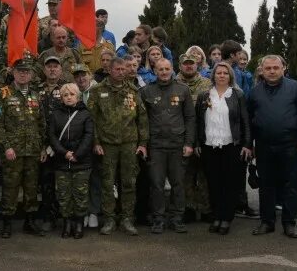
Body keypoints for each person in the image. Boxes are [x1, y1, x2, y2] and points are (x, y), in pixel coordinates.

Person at [249, 55, 297, 238]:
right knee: (266, 185)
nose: (272, 71)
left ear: (283, 68)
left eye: (275, 68)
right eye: (268, 68)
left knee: (290, 184)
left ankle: (289, 222)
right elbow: (248, 120)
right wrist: (249, 144)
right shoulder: (255, 92)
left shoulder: (295, 88)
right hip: (264, 146)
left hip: (290, 145)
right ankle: (267, 222)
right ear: (261, 70)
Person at [88, 57, 149, 236]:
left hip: (129, 143)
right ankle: (109, 219)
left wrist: (143, 143)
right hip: (107, 144)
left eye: (124, 69)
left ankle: (127, 218)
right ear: (110, 70)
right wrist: (96, 142)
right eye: (118, 69)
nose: (121, 72)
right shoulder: (97, 91)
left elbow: (143, 119)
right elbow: (91, 120)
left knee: (129, 182)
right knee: (107, 183)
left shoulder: (133, 90)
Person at [0, 56, 47, 238]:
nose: (23, 75)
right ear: (14, 73)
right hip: (13, 151)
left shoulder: (36, 95)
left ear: (31, 74)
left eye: (26, 72)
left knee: (31, 188)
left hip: (32, 150)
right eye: (20, 71)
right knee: (10, 187)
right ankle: (7, 223)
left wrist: (42, 147)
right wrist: (6, 147)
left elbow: (42, 123)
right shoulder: (4, 94)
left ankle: (30, 222)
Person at [140, 59, 195, 234]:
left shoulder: (183, 89)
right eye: (160, 69)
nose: (164, 72)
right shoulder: (146, 91)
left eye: (167, 69)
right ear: (154, 71)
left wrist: (189, 143)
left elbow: (190, 118)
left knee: (178, 183)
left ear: (172, 69)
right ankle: (158, 219)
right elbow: (142, 121)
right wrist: (144, 144)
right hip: (156, 146)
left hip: (177, 144)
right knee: (156, 184)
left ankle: (177, 218)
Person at [196, 61, 251, 236]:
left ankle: (226, 218)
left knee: (230, 183)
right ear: (213, 75)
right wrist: (197, 143)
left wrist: (247, 144)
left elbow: (245, 122)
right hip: (209, 145)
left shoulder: (238, 95)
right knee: (214, 183)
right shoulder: (204, 95)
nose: (221, 75)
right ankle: (217, 216)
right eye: (218, 73)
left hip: (231, 145)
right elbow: (198, 122)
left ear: (230, 76)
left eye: (225, 73)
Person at [49, 83, 94, 238]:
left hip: (81, 162)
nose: (69, 97)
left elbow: (89, 136)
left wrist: (77, 154)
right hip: (62, 162)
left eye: (72, 94)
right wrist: (64, 153)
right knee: (63, 194)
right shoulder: (55, 114)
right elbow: (52, 136)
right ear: (61, 98)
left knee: (80, 194)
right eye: (65, 95)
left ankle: (79, 223)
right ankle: (67, 223)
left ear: (78, 96)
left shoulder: (85, 114)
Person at [177, 53, 213, 222]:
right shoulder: (174, 84)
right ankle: (189, 208)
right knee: (186, 175)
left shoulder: (207, 84)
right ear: (180, 66)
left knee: (205, 175)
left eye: (192, 63)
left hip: (204, 135)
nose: (189, 66)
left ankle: (206, 209)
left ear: (197, 65)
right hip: (181, 136)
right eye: (186, 64)